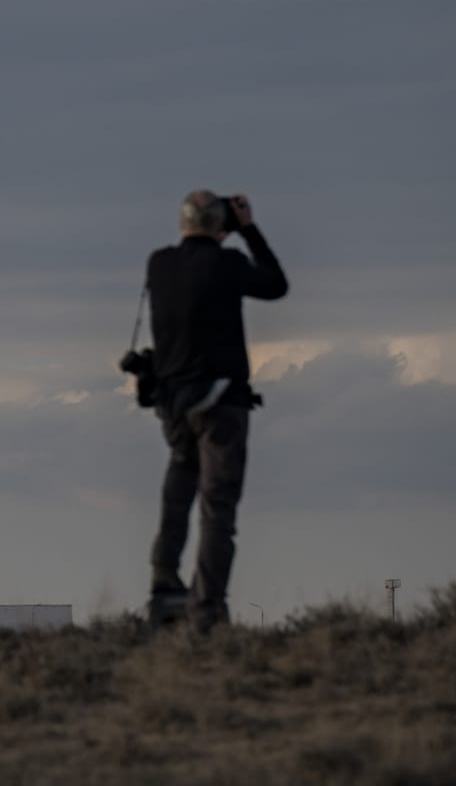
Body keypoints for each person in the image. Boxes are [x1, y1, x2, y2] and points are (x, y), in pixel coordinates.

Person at [145, 190, 288, 630]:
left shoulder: (159, 264)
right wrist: (247, 229)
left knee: (177, 495)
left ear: (182, 223)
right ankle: (206, 610)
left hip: (173, 405)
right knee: (217, 508)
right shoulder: (227, 265)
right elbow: (275, 285)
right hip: (222, 405)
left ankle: (164, 583)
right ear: (219, 224)